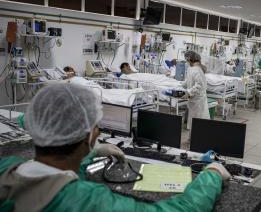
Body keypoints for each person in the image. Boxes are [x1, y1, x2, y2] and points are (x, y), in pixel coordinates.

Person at [0, 83, 231, 211]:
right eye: (95, 127)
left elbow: (60, 172)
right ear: (89, 136)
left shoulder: (7, 169)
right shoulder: (87, 203)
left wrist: (91, 155)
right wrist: (211, 175)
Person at [181, 51, 210, 129]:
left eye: (186, 59)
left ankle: (193, 139)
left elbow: (199, 85)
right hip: (193, 100)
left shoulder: (198, 70)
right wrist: (180, 85)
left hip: (198, 100)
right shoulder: (191, 68)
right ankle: (191, 139)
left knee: (197, 122)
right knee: (193, 121)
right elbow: (188, 80)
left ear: (190, 59)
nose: (186, 61)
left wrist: (189, 93)